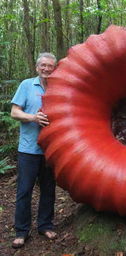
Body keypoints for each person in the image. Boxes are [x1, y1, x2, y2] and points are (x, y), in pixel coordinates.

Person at [10, 52, 57, 249]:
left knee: (48, 190)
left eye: (50, 66)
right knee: (24, 190)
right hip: (29, 149)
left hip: (51, 149)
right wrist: (33, 118)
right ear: (37, 67)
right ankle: (21, 231)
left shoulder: (58, 87)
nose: (46, 69)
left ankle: (45, 225)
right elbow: (14, 112)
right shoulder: (27, 85)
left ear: (54, 68)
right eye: (43, 65)